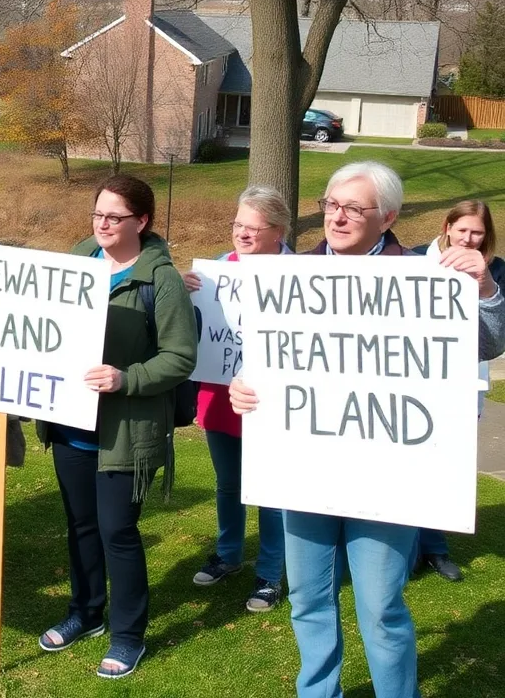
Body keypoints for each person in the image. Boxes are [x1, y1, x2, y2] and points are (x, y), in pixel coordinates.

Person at [229, 162, 505, 698]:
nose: (337, 217)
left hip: (387, 477)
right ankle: (318, 691)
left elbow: (488, 343)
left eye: (354, 208)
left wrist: (486, 287)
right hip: (305, 470)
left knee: (380, 606)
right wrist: (245, 384)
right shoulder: (288, 277)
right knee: (308, 597)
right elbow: (267, 357)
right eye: (331, 204)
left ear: (389, 217)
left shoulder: (427, 278)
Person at [36, 174, 197, 679]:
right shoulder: (79, 258)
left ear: (141, 221)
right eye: (97, 213)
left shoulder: (160, 279)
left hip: (125, 431)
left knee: (117, 532)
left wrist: (127, 378)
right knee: (80, 525)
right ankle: (85, 613)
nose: (102, 224)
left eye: (114, 216)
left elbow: (180, 356)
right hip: (70, 424)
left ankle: (128, 636)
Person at [182, 186, 290, 612]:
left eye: (253, 227)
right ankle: (228, 554)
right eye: (238, 224)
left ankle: (270, 574)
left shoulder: (299, 275)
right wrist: (183, 292)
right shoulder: (216, 271)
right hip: (220, 394)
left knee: (272, 492)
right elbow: (195, 330)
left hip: (272, 403)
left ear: (278, 231)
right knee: (228, 483)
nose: (242, 233)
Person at [411, 199, 505, 582]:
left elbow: (497, 336)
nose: (468, 238)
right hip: (413, 379)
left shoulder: (496, 270)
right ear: (447, 227)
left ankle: (435, 547)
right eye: (462, 229)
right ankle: (407, 545)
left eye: (477, 233)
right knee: (410, 464)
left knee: (444, 465)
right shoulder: (414, 259)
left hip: (463, 382)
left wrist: (485, 284)